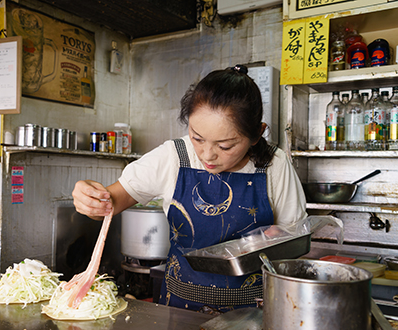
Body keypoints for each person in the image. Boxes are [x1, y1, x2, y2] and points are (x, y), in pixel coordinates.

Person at [72, 65, 307, 313]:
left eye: (225, 146)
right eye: (197, 137)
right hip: (177, 310)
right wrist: (91, 200)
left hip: (253, 312)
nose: (207, 155)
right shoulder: (174, 157)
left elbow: (294, 244)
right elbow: (110, 204)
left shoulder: (274, 165)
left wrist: (277, 239)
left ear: (257, 134)